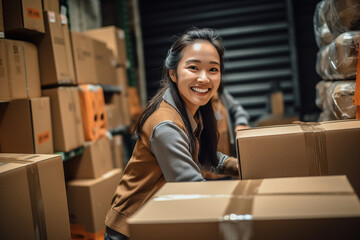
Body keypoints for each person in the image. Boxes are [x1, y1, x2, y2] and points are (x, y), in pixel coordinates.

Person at [104, 28, 239, 240]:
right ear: (173, 73)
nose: (204, 78)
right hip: (130, 229)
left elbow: (204, 156)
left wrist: (240, 166)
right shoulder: (166, 125)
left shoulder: (192, 111)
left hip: (155, 219)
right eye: (193, 67)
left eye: (213, 69)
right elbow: (190, 185)